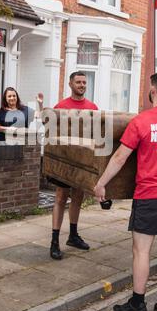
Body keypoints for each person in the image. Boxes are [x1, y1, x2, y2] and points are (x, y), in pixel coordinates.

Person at [94, 71, 157, 311]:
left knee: (141, 250)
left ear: (152, 91)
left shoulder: (141, 121)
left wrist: (101, 184)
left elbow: (119, 157)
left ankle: (138, 304)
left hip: (150, 194)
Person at [50, 71, 98, 260]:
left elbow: (97, 134)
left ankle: (73, 235)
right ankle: (54, 241)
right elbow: (51, 135)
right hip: (64, 161)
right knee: (61, 198)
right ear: (70, 84)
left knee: (78, 197)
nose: (82, 85)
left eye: (84, 82)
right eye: (78, 82)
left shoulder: (93, 108)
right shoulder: (60, 107)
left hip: (83, 161)